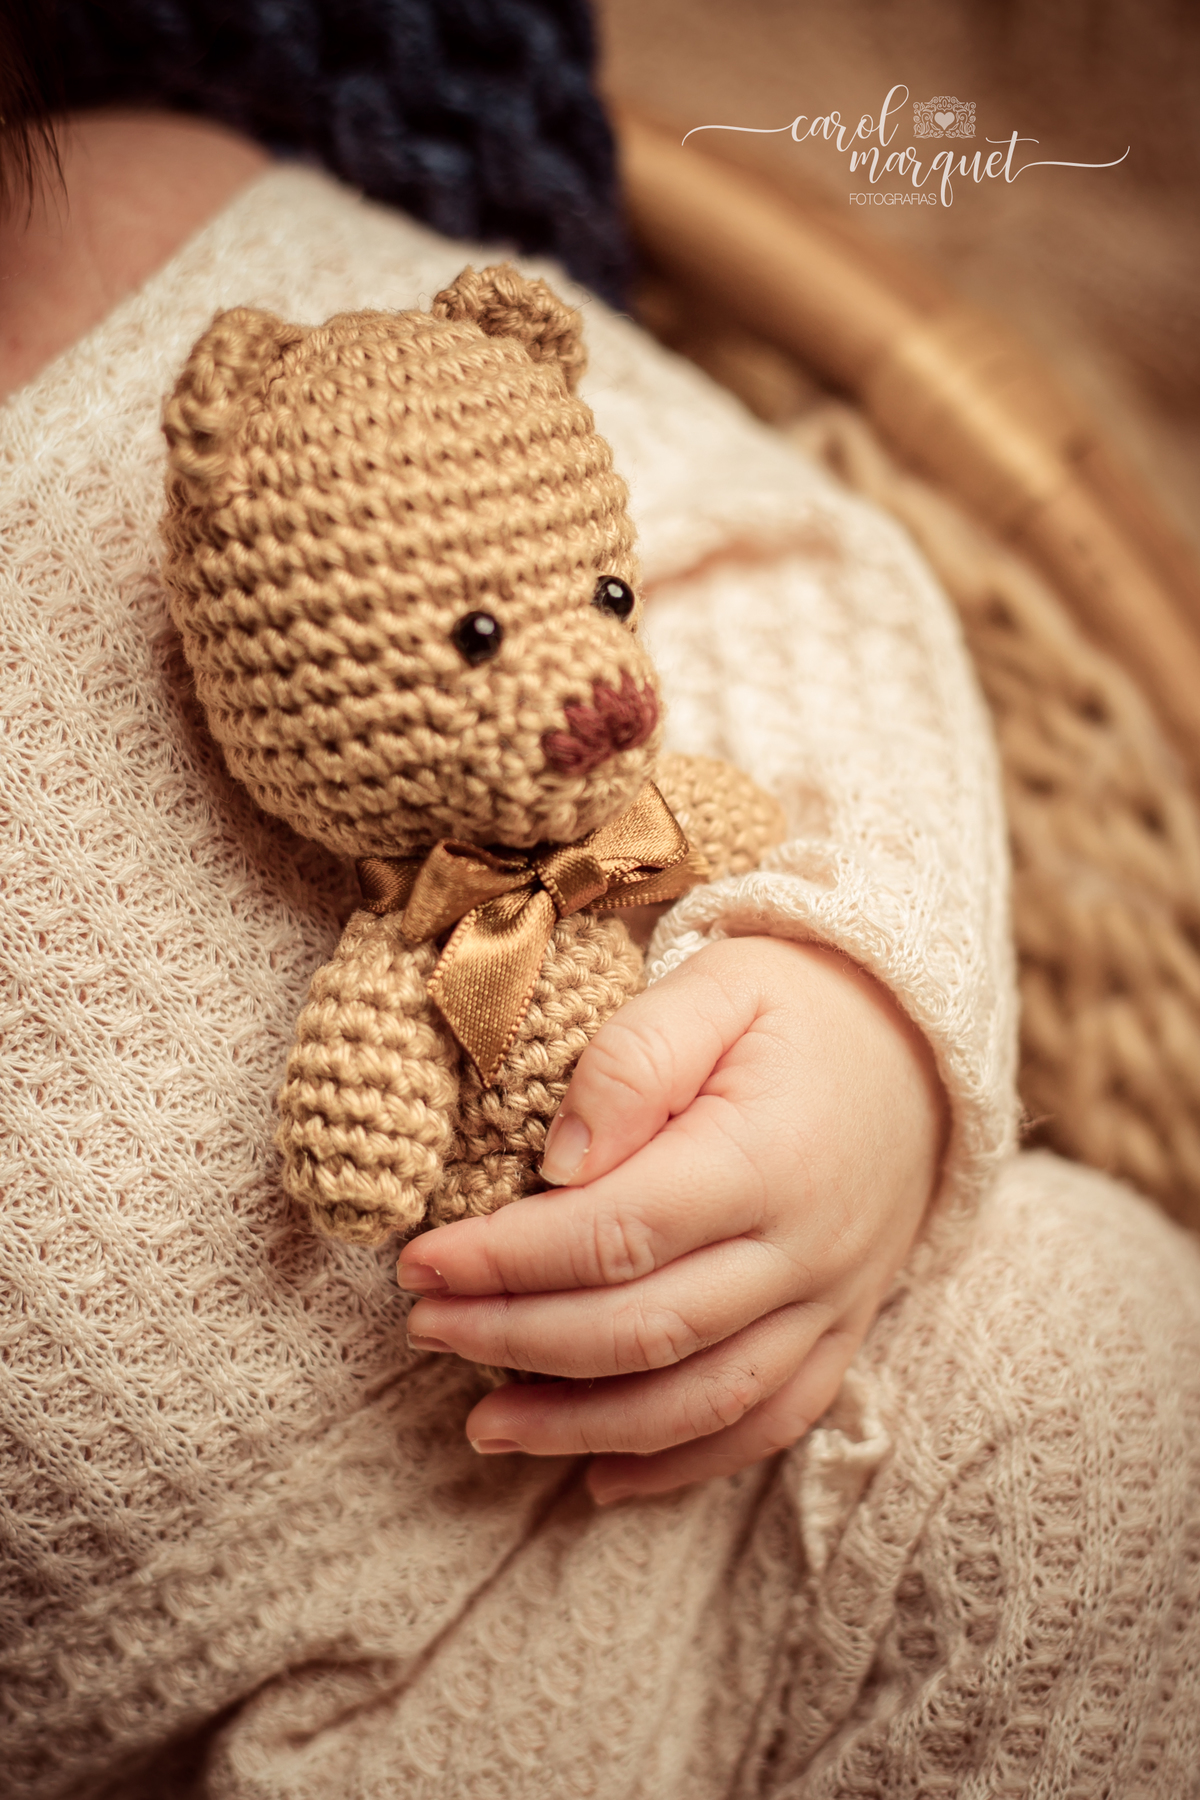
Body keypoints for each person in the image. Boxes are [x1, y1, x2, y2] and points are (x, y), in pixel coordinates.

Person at [3, 91, 1200, 1800]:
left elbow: (783, 569)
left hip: (772, 1459)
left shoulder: (140, 209)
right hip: (237, 1729)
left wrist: (850, 1000)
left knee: (1103, 1360)